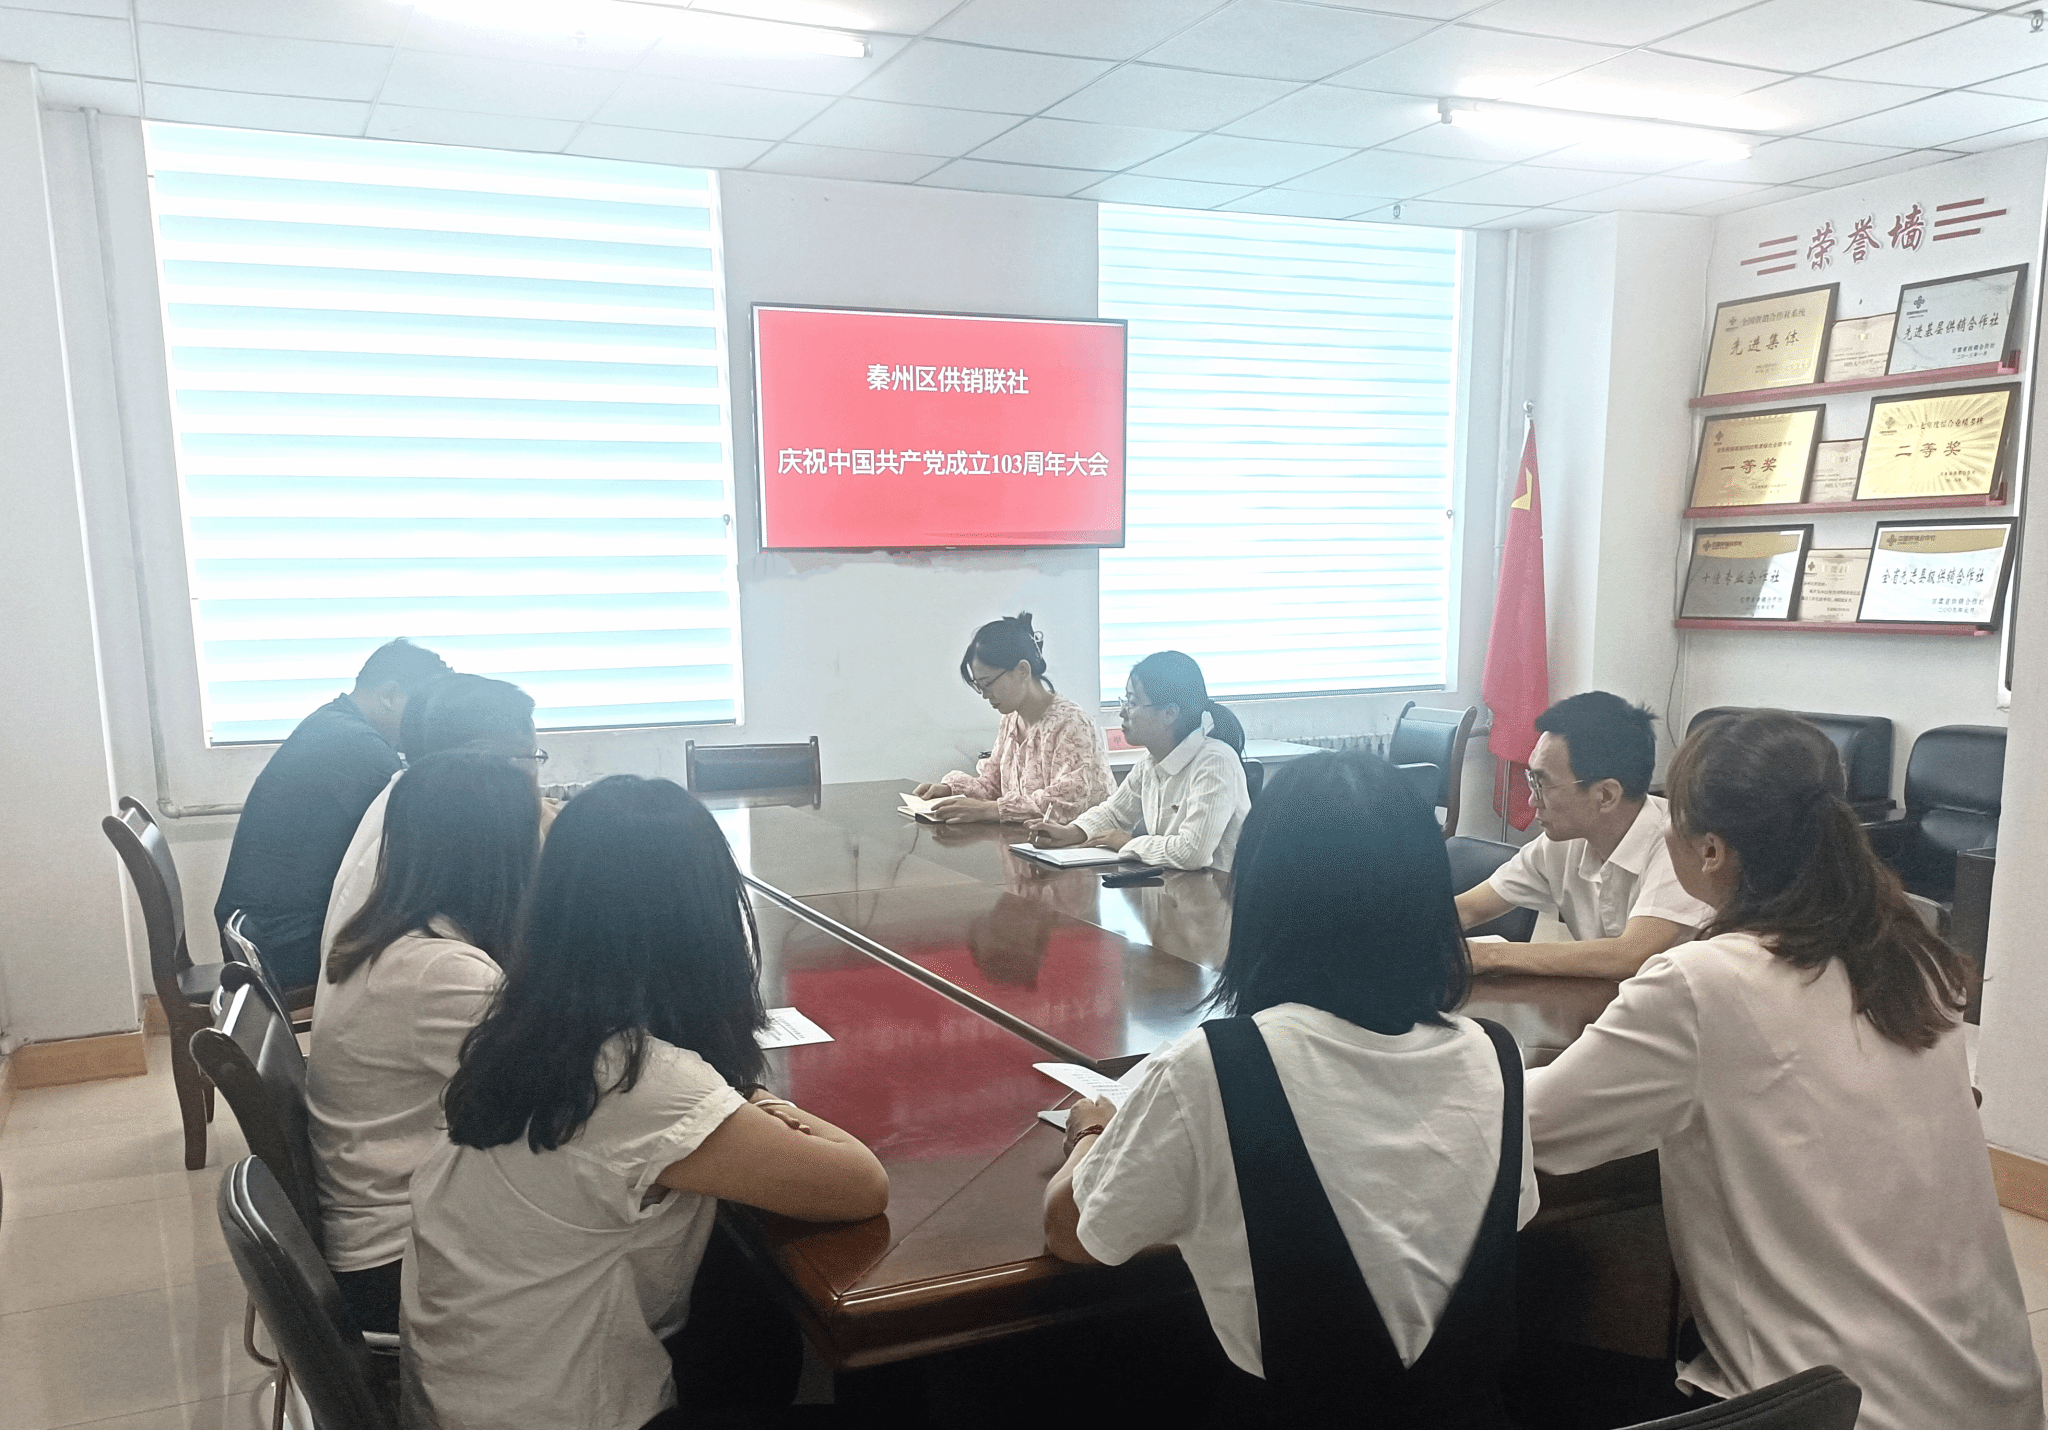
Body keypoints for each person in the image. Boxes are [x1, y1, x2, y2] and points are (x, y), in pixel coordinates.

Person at [1527, 711, 2044, 1430]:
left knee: (1523, 1370)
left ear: (1711, 850)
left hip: (1829, 1412)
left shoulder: (1702, 982)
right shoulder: (1914, 957)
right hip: (1995, 1398)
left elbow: (1532, 1125)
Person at [1043, 751, 1536, 1425]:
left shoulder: (1214, 1068)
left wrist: (1092, 1130)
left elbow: (1073, 1233)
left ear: (1259, 897)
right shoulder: (1495, 1056)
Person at [403, 776, 889, 1430]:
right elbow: (860, 1184)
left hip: (468, 1394)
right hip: (563, 1413)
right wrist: (755, 1103)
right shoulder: (639, 1081)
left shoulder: (528, 1033)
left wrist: (733, 1104)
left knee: (748, 1316)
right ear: (706, 925)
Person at [305, 750, 539, 1335]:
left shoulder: (395, 935)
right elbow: (571, 1093)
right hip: (398, 1263)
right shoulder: (441, 973)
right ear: (500, 857)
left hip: (384, 1228)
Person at [212, 639, 451, 990]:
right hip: (285, 944)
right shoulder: (358, 747)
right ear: (390, 695)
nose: (429, 723)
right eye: (426, 708)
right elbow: (419, 851)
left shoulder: (334, 725)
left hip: (262, 932)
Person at [1454, 691, 1713, 979]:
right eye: (1531, 780)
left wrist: (1488, 955)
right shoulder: (1564, 839)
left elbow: (1631, 955)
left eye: (1542, 784)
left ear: (1605, 795)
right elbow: (1468, 909)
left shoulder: (1679, 843)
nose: (1531, 801)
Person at [319, 674, 544, 971]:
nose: (536, 775)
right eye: (534, 756)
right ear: (500, 763)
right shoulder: (461, 831)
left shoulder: (405, 803)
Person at [1028, 651, 1251, 873]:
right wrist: (1071, 832)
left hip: (1214, 889)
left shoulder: (1215, 763)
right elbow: (1114, 813)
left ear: (1169, 713)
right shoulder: (1151, 761)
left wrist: (1129, 843)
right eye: (1125, 700)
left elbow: (1192, 852)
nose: (1122, 712)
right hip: (1172, 884)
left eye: (1132, 702)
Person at [912, 612, 1112, 824]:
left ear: (1022, 670)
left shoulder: (1071, 724)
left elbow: (1066, 804)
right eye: (979, 686)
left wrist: (989, 810)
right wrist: (949, 790)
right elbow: (992, 784)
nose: (985, 695)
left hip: (1084, 842)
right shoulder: (1011, 719)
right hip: (1030, 838)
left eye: (988, 684)